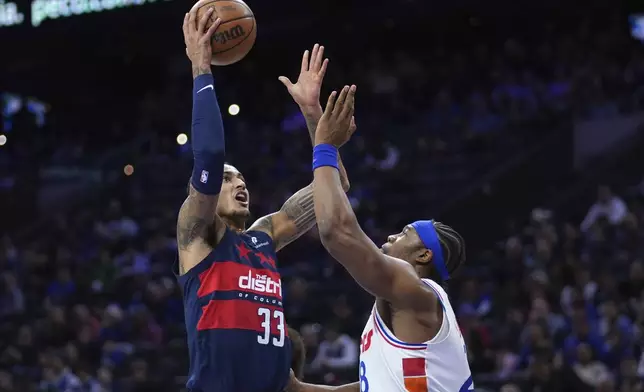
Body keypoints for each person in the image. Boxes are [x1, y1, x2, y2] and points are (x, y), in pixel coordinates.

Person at [178, 8, 349, 392]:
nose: (240, 183)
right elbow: (208, 155)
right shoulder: (199, 236)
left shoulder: (264, 237)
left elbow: (334, 188)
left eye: (242, 177)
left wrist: (312, 114)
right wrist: (201, 66)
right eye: (227, 178)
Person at [288, 86, 472, 391]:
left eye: (405, 233)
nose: (391, 235)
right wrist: (314, 118)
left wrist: (324, 144)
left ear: (423, 255)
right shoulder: (409, 312)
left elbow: (337, 231)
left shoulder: (416, 290)